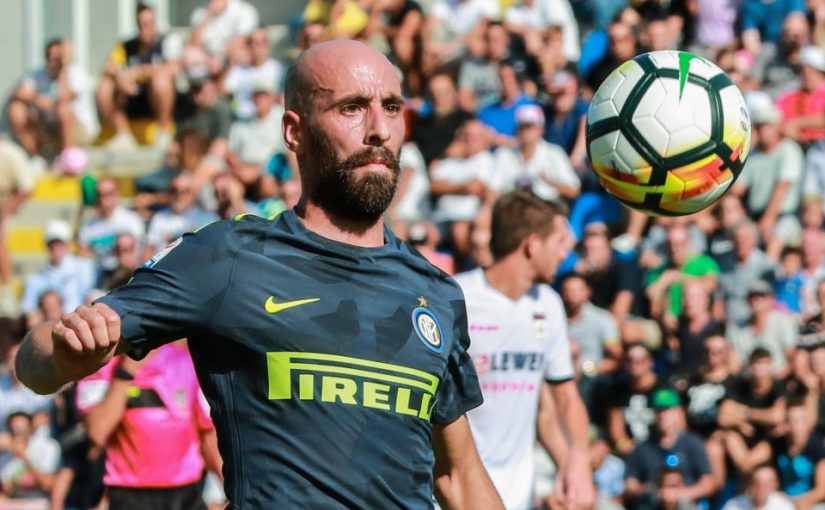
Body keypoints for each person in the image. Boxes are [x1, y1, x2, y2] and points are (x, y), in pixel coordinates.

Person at [15, 39, 503, 509]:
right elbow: (35, 364)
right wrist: (67, 352)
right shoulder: (227, 257)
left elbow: (458, 476)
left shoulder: (433, 290)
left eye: (392, 107)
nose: (379, 129)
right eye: (352, 108)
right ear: (294, 131)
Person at [454, 190, 594, 509]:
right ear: (532, 245)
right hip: (456, 490)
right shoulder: (458, 297)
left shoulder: (548, 304)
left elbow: (558, 400)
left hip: (518, 493)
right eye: (559, 242)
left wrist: (575, 463)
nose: (565, 254)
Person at [77, 341, 221, 510]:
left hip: (186, 494)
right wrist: (126, 372)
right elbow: (97, 433)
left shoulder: (185, 360)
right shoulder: (101, 366)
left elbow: (208, 436)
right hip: (129, 494)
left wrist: (234, 490)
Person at [96, 1, 178, 148]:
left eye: (149, 24)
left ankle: (162, 133)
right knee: (105, 85)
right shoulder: (125, 46)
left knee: (161, 80)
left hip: (155, 99)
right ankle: (123, 134)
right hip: (129, 99)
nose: (145, 29)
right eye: (141, 25)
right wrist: (121, 77)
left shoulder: (167, 42)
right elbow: (108, 66)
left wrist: (138, 72)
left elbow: (173, 67)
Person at [623, 388, 715, 510]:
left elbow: (708, 483)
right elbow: (630, 484)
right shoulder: (642, 448)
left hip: (684, 502)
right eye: (658, 411)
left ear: (678, 412)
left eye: (667, 410)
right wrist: (650, 491)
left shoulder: (693, 444)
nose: (662, 415)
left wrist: (681, 494)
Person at [20, 219, 97, 329]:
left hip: (79, 320)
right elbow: (28, 306)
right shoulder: (36, 278)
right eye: (52, 244)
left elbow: (91, 295)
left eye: (59, 243)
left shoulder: (83, 266)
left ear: (68, 244)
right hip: (52, 323)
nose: (55, 247)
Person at [722, 464, 795, 510]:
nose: (760, 488)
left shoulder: (783, 505)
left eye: (766, 484)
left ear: (775, 485)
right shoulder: (734, 505)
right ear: (749, 484)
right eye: (756, 482)